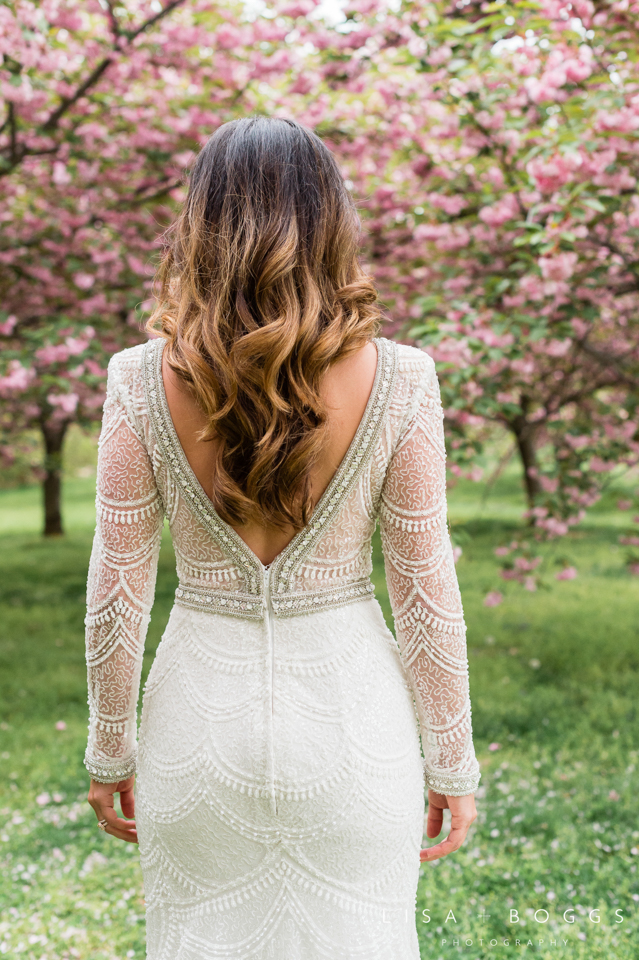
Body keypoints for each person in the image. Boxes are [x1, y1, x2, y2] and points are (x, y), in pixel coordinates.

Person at [84, 114, 480, 959]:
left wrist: (110, 745)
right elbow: (423, 587)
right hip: (351, 726)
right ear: (331, 220)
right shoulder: (402, 377)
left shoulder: (136, 379)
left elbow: (116, 587)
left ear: (200, 222)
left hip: (196, 729)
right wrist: (451, 762)